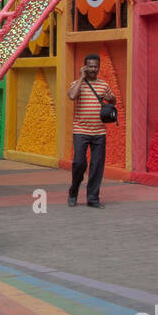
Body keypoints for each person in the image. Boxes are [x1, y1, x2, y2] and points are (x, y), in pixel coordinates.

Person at [67, 53, 117, 208]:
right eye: (90, 66)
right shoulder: (77, 83)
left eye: (96, 66)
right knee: (79, 163)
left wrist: (111, 98)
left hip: (99, 133)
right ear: (85, 67)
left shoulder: (104, 85)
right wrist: (81, 78)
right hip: (80, 130)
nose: (93, 69)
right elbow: (72, 96)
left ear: (99, 67)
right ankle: (73, 191)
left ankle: (93, 198)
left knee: (96, 166)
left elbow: (112, 100)